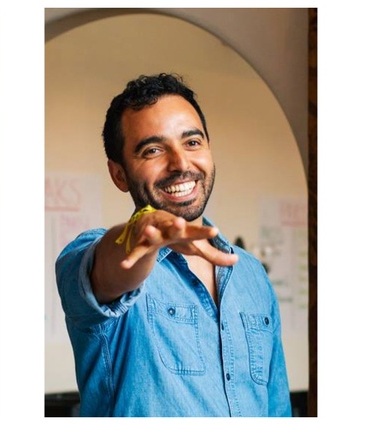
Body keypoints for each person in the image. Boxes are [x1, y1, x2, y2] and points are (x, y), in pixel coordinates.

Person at [55, 73, 291, 417]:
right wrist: (142, 232)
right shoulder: (91, 254)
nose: (181, 163)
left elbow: (277, 410)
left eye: (192, 142)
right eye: (153, 149)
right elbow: (111, 270)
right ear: (119, 174)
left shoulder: (252, 274)